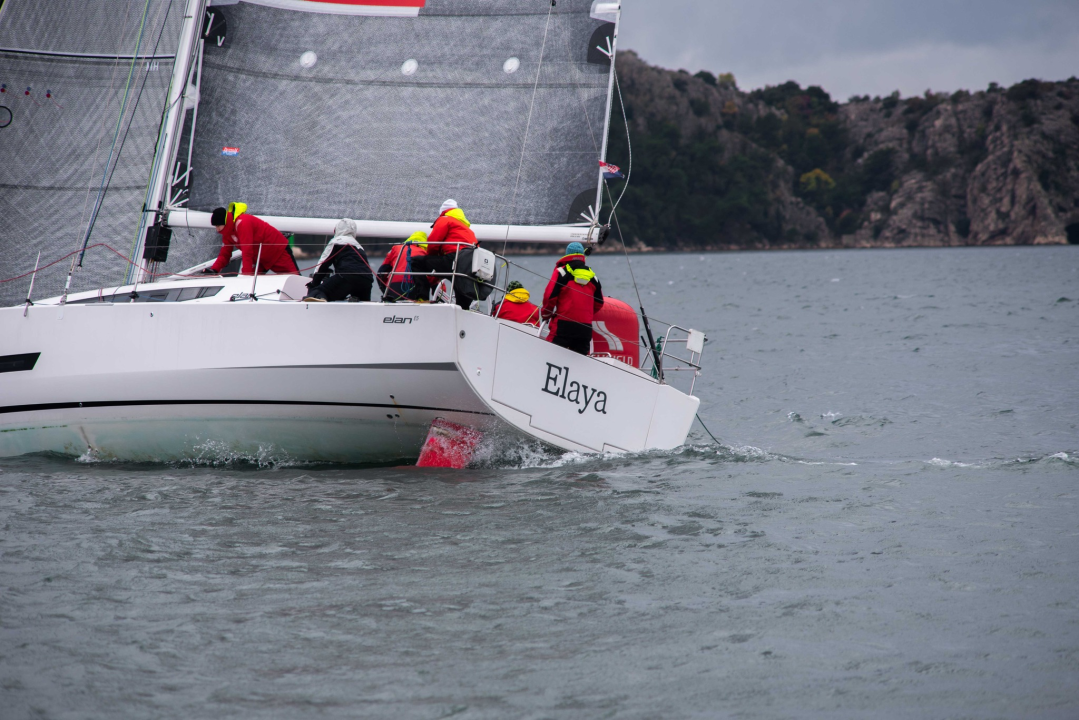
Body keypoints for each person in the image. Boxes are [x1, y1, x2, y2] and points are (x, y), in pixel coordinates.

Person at [410, 199, 481, 308]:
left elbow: (433, 243)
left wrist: (430, 261)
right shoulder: (467, 229)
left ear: (442, 212)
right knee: (460, 287)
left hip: (454, 259)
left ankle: (422, 298)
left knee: (417, 262)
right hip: (470, 264)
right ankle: (463, 310)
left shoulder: (445, 219)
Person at [541, 241, 604, 355]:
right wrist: (585, 314)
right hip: (585, 329)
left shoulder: (561, 272)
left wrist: (546, 314)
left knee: (550, 355)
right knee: (580, 364)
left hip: (563, 326)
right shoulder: (593, 277)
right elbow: (599, 303)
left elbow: (549, 297)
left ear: (567, 254)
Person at [203, 203, 299, 276]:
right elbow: (225, 254)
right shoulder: (227, 233)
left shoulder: (243, 223)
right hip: (259, 258)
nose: (217, 229)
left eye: (218, 225)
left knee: (295, 281)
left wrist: (246, 276)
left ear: (225, 221)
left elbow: (247, 250)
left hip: (277, 251)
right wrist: (214, 270)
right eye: (215, 226)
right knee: (250, 287)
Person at [303, 218, 373, 302]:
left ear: (336, 230)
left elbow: (323, 264)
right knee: (363, 302)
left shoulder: (336, 241)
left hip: (347, 276)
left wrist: (314, 284)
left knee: (318, 292)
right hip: (367, 280)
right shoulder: (359, 246)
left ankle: (319, 297)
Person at [377, 231, 428, 302]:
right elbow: (432, 277)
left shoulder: (396, 248)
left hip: (393, 286)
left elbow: (381, 272)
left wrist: (386, 291)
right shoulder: (424, 253)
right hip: (414, 287)